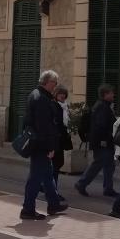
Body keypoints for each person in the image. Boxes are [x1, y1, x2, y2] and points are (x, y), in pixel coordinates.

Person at [19, 70, 68, 221]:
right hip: (41, 144)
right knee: (35, 178)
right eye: (54, 83)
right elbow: (44, 126)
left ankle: (53, 204)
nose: (55, 86)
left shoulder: (35, 94)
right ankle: (27, 209)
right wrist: (50, 147)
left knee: (48, 175)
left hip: (38, 142)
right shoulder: (41, 99)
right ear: (48, 82)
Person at [75, 84, 118, 197]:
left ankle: (108, 188)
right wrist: (105, 139)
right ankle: (81, 183)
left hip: (104, 141)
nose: (113, 95)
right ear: (105, 95)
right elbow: (101, 126)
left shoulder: (104, 106)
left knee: (109, 165)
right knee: (98, 163)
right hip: (101, 142)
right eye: (111, 93)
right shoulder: (102, 107)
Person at [52, 85, 72, 191]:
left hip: (61, 139)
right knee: (56, 164)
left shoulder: (64, 106)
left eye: (64, 94)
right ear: (56, 94)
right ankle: (52, 189)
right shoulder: (54, 106)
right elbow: (56, 123)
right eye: (60, 93)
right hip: (56, 139)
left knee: (58, 163)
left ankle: (46, 186)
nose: (62, 96)